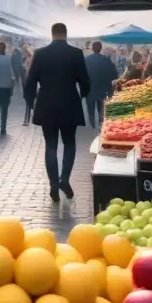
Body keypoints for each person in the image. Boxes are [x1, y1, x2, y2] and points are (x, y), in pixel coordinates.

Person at [24, 23, 90, 202]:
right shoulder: (76, 54)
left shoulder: (40, 53)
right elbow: (85, 81)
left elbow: (29, 82)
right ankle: (64, 179)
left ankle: (53, 184)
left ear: (52, 34)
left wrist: (31, 103)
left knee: (50, 145)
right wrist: (82, 95)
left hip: (46, 105)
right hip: (70, 104)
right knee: (69, 143)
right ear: (66, 34)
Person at [84, 41, 119, 129]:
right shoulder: (107, 60)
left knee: (90, 109)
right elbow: (115, 75)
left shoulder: (86, 60)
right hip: (104, 89)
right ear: (100, 49)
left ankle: (92, 126)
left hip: (90, 90)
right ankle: (101, 125)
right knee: (101, 108)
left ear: (92, 48)